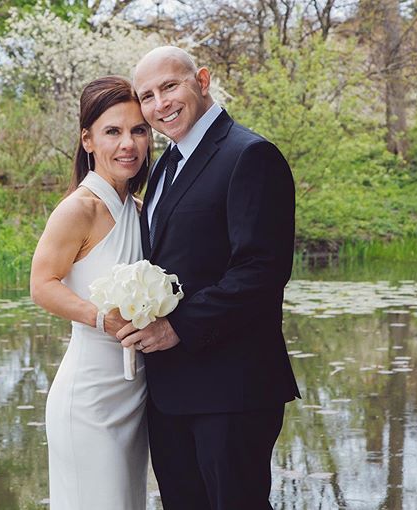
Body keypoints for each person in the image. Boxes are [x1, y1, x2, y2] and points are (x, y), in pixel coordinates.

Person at [117, 46, 301, 510]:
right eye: (148, 95)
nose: (161, 103)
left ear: (202, 80)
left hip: (232, 389)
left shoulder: (250, 155)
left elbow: (262, 270)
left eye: (170, 86)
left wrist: (178, 325)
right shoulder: (163, 167)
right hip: (171, 393)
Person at [30, 76, 152, 510]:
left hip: (134, 394)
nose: (129, 144)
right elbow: (42, 285)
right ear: (88, 139)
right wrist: (103, 318)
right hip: (89, 401)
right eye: (113, 132)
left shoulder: (139, 210)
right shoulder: (79, 209)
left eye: (138, 130)